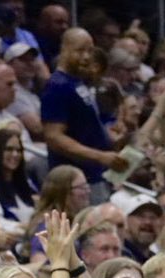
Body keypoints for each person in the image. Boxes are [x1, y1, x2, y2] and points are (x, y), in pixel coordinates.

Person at [42, 28, 123, 204]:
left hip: (94, 176)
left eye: (90, 50)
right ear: (64, 49)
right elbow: (54, 136)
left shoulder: (77, 81)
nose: (86, 56)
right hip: (74, 182)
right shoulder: (57, 85)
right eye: (80, 50)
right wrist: (99, 156)